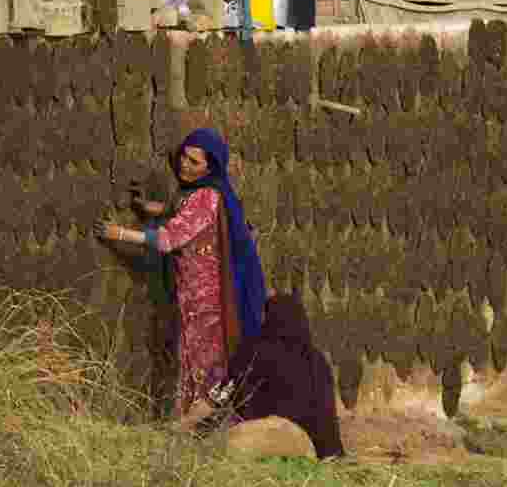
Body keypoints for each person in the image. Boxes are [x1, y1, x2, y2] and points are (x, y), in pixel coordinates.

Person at [94, 128, 268, 418]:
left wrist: (119, 233)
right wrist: (149, 208)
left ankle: (203, 422)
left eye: (194, 162)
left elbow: (169, 238)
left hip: (206, 298)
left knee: (205, 362)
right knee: (192, 358)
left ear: (210, 167)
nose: (185, 165)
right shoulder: (198, 193)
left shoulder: (208, 197)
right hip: (191, 292)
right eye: (184, 157)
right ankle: (199, 422)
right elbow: (180, 212)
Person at [196, 292, 346, 459]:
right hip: (320, 452)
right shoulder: (318, 360)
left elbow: (224, 392)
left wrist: (199, 429)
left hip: (269, 444)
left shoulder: (253, 352)